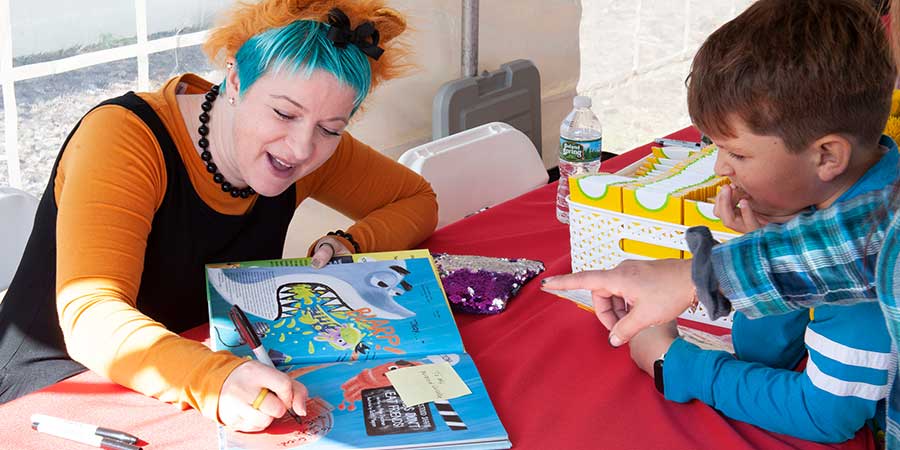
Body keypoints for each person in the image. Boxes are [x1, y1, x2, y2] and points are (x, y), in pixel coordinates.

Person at [0, 0, 437, 433]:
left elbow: (416, 198)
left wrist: (350, 243)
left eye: (330, 129)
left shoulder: (307, 147)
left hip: (194, 374)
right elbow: (91, 317)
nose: (302, 148)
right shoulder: (123, 138)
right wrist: (216, 378)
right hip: (59, 391)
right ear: (235, 79)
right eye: (284, 113)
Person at [544, 0, 900, 446]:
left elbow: (823, 414)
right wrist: (772, 236)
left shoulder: (871, 260)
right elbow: (764, 353)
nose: (719, 168)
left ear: (827, 156)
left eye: (737, 153)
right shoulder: (839, 195)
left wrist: (676, 364)